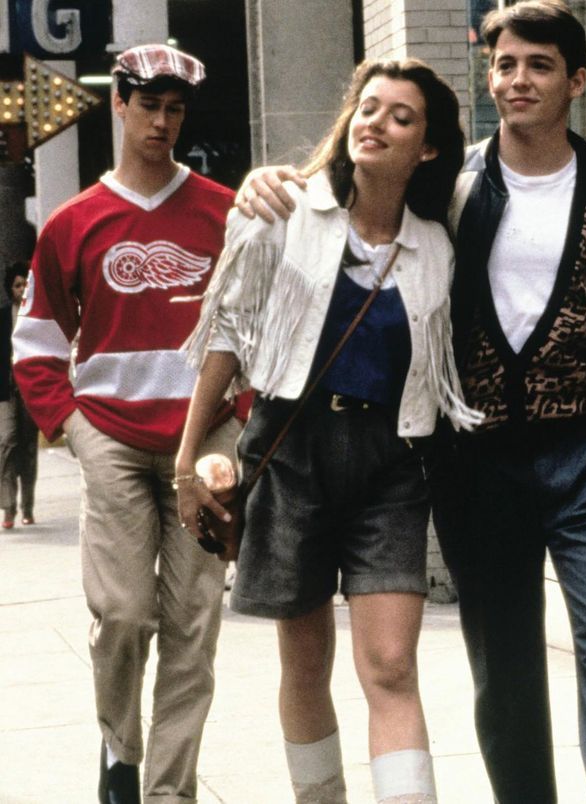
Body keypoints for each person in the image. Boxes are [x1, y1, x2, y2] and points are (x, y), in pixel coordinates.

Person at [235, 3, 586, 802]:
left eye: (539, 65)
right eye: (505, 64)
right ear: (489, 76)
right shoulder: (449, 194)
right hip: (482, 465)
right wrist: (273, 180)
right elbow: (354, 198)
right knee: (503, 665)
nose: (518, 79)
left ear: (577, 81)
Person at [176, 57, 480, 804]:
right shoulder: (282, 213)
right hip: (291, 453)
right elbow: (227, 336)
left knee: (390, 666)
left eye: (400, 117)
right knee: (305, 663)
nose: (376, 123)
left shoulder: (437, 249)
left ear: (429, 148)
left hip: (391, 466)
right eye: (368, 108)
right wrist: (189, 459)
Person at [12, 44, 242, 804]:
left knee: (192, 621)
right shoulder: (73, 223)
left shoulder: (222, 212)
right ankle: (120, 747)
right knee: (123, 613)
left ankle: (168, 791)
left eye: (175, 110)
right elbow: (38, 343)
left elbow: (259, 327)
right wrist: (70, 426)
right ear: (119, 104)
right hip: (109, 433)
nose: (162, 123)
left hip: (203, 438)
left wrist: (237, 423)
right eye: (149, 107)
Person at [0, 262, 39, 528]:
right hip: (6, 391)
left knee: (28, 448)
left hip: (31, 390)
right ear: (9, 289)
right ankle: (8, 507)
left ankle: (27, 506)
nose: (22, 289)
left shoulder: (38, 317)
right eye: (17, 285)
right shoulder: (3, 316)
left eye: (25, 284)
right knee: (7, 442)